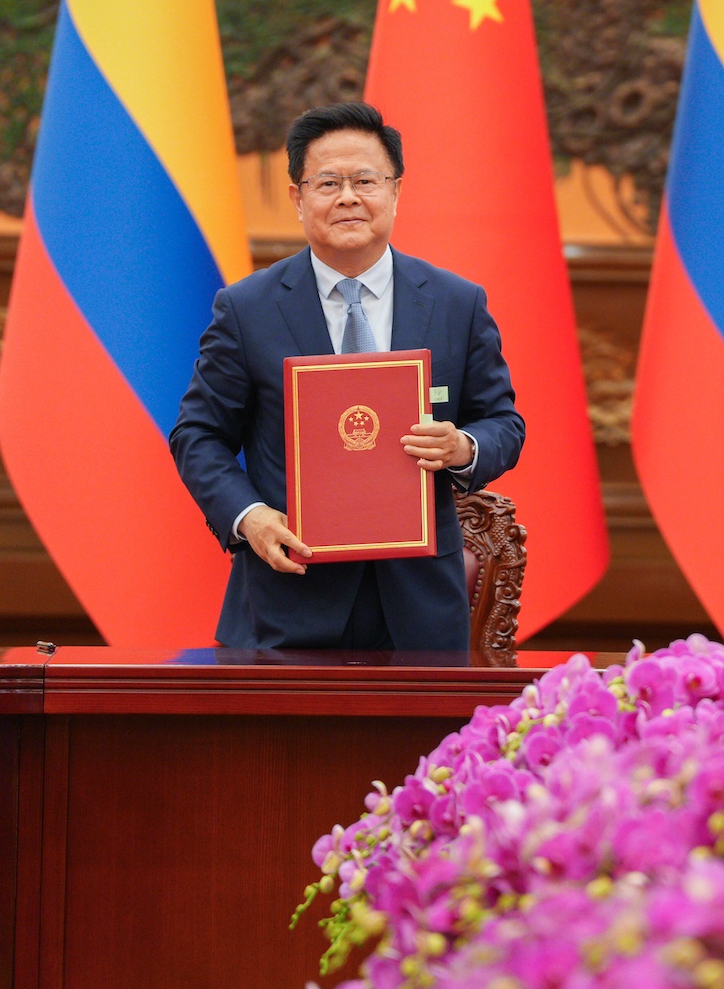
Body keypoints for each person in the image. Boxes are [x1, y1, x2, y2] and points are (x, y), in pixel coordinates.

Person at [168, 101, 525, 650]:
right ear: (298, 197)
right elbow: (198, 435)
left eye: (366, 180)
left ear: (396, 192)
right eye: (328, 182)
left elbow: (504, 421)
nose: (349, 197)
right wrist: (250, 517)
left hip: (421, 606)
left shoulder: (457, 303)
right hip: (286, 602)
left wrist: (463, 446)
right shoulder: (247, 309)